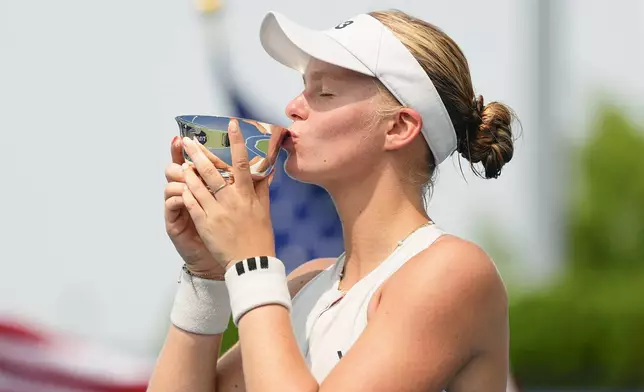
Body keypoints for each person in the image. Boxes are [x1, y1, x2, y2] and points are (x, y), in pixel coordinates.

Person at [149, 9, 516, 392]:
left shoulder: (452, 272)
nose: (292, 106)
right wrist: (206, 277)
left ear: (399, 127)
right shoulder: (305, 286)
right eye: (304, 86)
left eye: (323, 92)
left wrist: (250, 263)